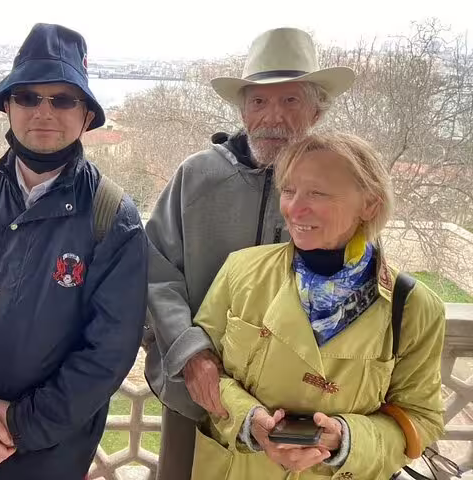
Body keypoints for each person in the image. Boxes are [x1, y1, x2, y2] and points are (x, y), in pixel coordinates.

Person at [0, 23, 148, 480]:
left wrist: (21, 425)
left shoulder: (112, 218)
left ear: (86, 116)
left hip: (52, 455)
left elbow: (109, 353)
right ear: (8, 106)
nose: (44, 111)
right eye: (28, 97)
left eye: (63, 99)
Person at [144, 27, 356, 480]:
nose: (272, 117)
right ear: (242, 110)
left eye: (290, 101)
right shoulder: (196, 177)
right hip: (198, 393)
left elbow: (358, 279)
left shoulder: (344, 186)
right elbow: (155, 271)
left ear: (317, 111)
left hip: (297, 409)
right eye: (259, 101)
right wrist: (191, 355)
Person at [191, 131, 445, 479]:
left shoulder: (415, 308)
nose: (294, 208)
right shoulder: (241, 271)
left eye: (317, 193)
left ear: (369, 204)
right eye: (290, 191)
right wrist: (250, 420)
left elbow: (421, 419)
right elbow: (202, 373)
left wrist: (346, 440)